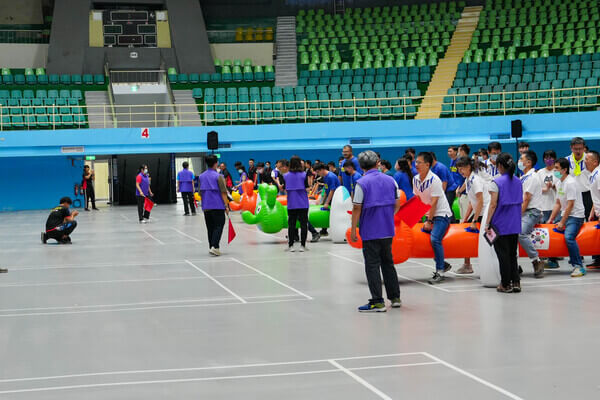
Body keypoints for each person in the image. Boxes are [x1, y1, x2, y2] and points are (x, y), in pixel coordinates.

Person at [350, 150, 402, 312]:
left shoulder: (362, 183)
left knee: (372, 265)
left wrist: (353, 229)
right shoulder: (390, 180)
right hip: (387, 229)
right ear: (377, 163)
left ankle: (377, 301)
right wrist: (387, 216)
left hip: (370, 231)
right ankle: (395, 297)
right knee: (388, 263)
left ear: (361, 165)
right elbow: (397, 203)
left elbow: (357, 207)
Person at [413, 152, 454, 284]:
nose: (416, 164)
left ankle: (440, 271)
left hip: (441, 215)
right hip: (429, 214)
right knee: (426, 240)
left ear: (427, 164)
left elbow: (435, 202)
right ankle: (443, 263)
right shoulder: (415, 179)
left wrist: (430, 221)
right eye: (416, 162)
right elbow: (417, 199)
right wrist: (419, 218)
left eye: (419, 162)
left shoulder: (434, 180)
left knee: (435, 239)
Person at [485, 153, 523, 293]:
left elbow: (493, 205)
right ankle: (516, 282)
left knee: (503, 255)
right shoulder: (519, 181)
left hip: (500, 224)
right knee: (513, 254)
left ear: (500, 166)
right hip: (515, 223)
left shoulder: (496, 183)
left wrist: (487, 223)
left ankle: (505, 284)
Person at [546, 158, 586, 277]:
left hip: (576, 216)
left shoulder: (571, 183)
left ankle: (578, 266)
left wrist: (562, 222)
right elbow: (558, 203)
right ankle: (552, 261)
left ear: (564, 170)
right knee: (550, 231)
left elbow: (570, 205)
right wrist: (551, 219)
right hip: (565, 214)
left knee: (569, 237)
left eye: (557, 168)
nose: (555, 170)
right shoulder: (559, 182)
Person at [455, 156, 489, 274]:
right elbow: (471, 202)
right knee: (465, 233)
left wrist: (474, 221)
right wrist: (465, 219)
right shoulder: (467, 180)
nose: (460, 172)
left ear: (468, 167)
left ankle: (489, 268)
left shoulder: (476, 180)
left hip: (486, 213)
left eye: (462, 169)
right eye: (459, 169)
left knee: (488, 240)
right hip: (478, 212)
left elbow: (480, 201)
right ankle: (467, 265)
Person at [518, 150, 546, 278]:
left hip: (532, 211)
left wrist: (517, 215)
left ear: (528, 162)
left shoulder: (532, 177)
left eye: (521, 159)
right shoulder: (523, 177)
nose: (519, 161)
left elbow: (526, 199)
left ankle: (537, 260)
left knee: (520, 232)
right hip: (524, 210)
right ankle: (513, 265)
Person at [199, 155, 230, 256]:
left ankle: (212, 246)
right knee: (219, 225)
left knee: (210, 227)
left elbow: (200, 193)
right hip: (217, 205)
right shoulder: (218, 176)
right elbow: (223, 192)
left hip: (206, 206)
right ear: (216, 163)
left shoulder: (201, 176)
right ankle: (215, 246)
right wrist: (226, 205)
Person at [284, 156, 310, 252]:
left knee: (291, 225)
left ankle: (291, 246)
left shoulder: (286, 176)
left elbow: (284, 188)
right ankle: (302, 246)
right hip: (303, 203)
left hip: (291, 203)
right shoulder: (304, 175)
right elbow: (307, 188)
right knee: (304, 224)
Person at [567, 137, 592, 222]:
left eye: (580, 149)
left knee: (590, 218)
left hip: (588, 194)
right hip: (572, 195)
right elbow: (559, 175)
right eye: (575, 149)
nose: (578, 151)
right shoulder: (566, 160)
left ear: (584, 148)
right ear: (571, 148)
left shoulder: (590, 160)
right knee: (574, 218)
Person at [584, 150, 600, 268]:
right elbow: (596, 196)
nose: (585, 162)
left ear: (595, 162)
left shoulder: (598, 175)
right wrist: (592, 212)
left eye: (587, 160)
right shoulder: (592, 175)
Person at [431, 152, 456, 218]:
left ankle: (452, 222)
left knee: (447, 206)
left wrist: (442, 194)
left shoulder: (440, 167)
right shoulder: (432, 168)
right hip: (443, 190)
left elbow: (444, 182)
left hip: (449, 190)